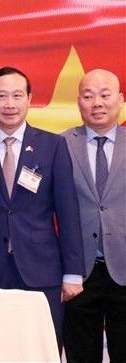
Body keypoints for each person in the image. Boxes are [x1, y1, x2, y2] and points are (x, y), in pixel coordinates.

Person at [0, 66, 85, 350]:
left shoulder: (53, 146)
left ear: (29, 98)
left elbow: (68, 212)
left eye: (17, 95)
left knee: (42, 349)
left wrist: (73, 272)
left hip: (43, 271)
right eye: (1, 96)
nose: (9, 104)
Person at [61, 69, 125, 362]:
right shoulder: (59, 145)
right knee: (79, 354)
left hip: (124, 268)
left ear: (120, 100)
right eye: (88, 96)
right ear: (78, 103)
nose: (96, 103)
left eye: (104, 95)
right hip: (77, 272)